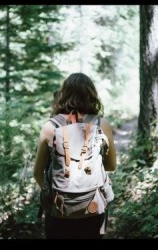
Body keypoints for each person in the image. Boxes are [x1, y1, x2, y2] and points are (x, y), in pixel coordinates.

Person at [33, 73, 116, 239]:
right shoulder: (101, 124)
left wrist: (53, 195)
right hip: (93, 208)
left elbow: (37, 173)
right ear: (91, 95)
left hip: (59, 210)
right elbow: (111, 166)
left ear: (63, 94)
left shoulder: (51, 126)